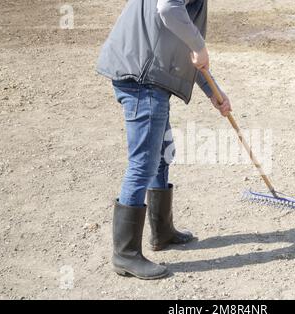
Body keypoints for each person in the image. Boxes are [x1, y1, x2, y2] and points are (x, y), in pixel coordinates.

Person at [96, 0, 232, 280]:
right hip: (142, 78)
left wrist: (214, 92)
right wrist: (199, 45)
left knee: (162, 154)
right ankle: (126, 254)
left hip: (147, 75)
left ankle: (162, 232)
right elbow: (168, 8)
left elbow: (182, 40)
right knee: (143, 163)